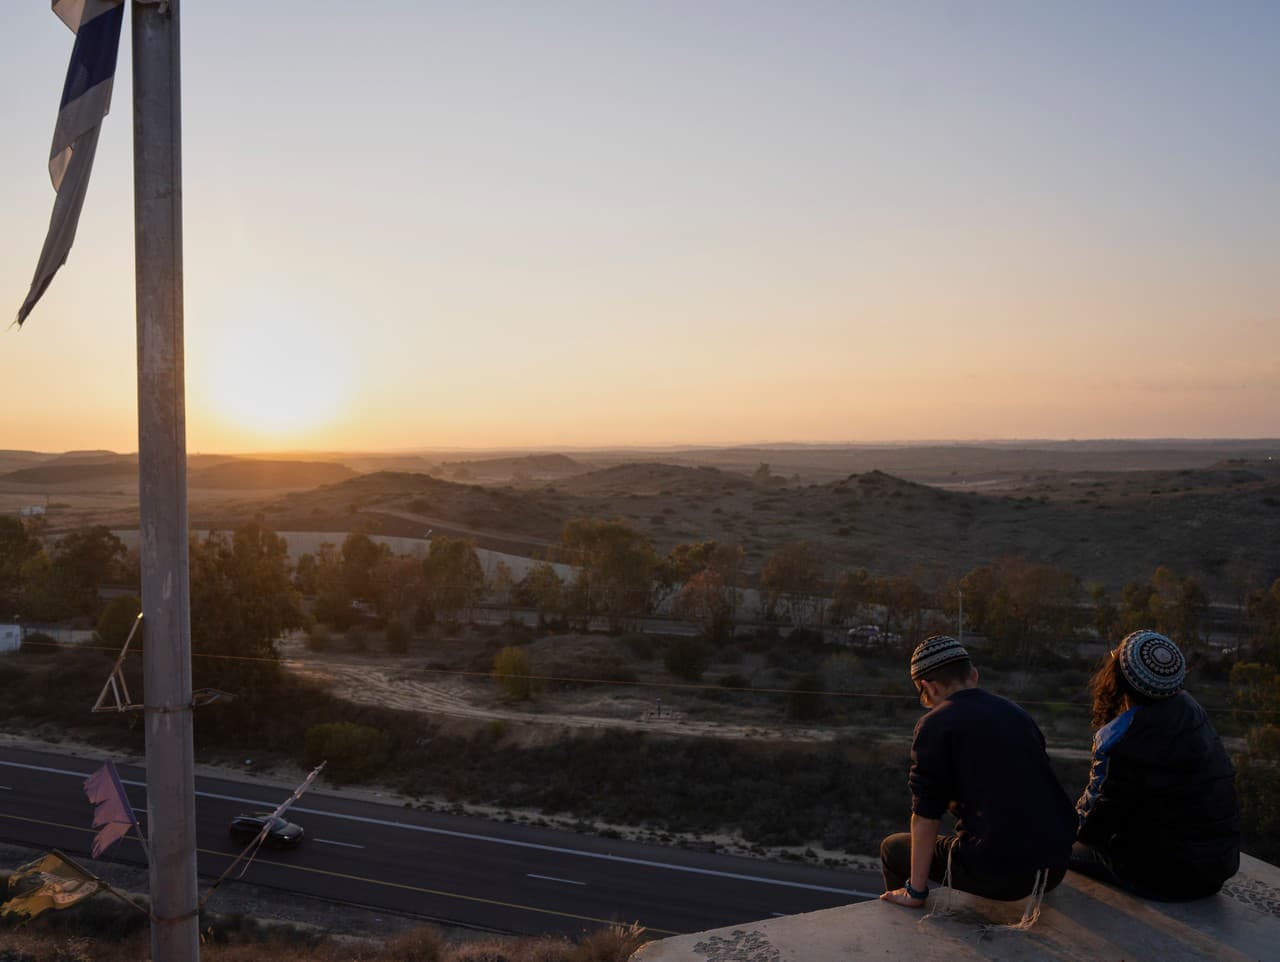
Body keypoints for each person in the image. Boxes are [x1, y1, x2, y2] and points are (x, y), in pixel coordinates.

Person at [880, 635, 1076, 910]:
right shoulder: (1016, 713)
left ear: (929, 687)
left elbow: (926, 816)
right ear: (974, 674)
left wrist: (918, 889)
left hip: (1003, 877)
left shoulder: (935, 724)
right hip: (1054, 868)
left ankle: (909, 900)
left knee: (893, 848)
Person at [1072, 629, 1239, 900]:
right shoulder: (1191, 711)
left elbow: (1091, 827)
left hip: (1165, 878)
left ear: (1118, 678)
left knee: (1064, 847)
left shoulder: (1122, 739)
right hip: (1217, 868)